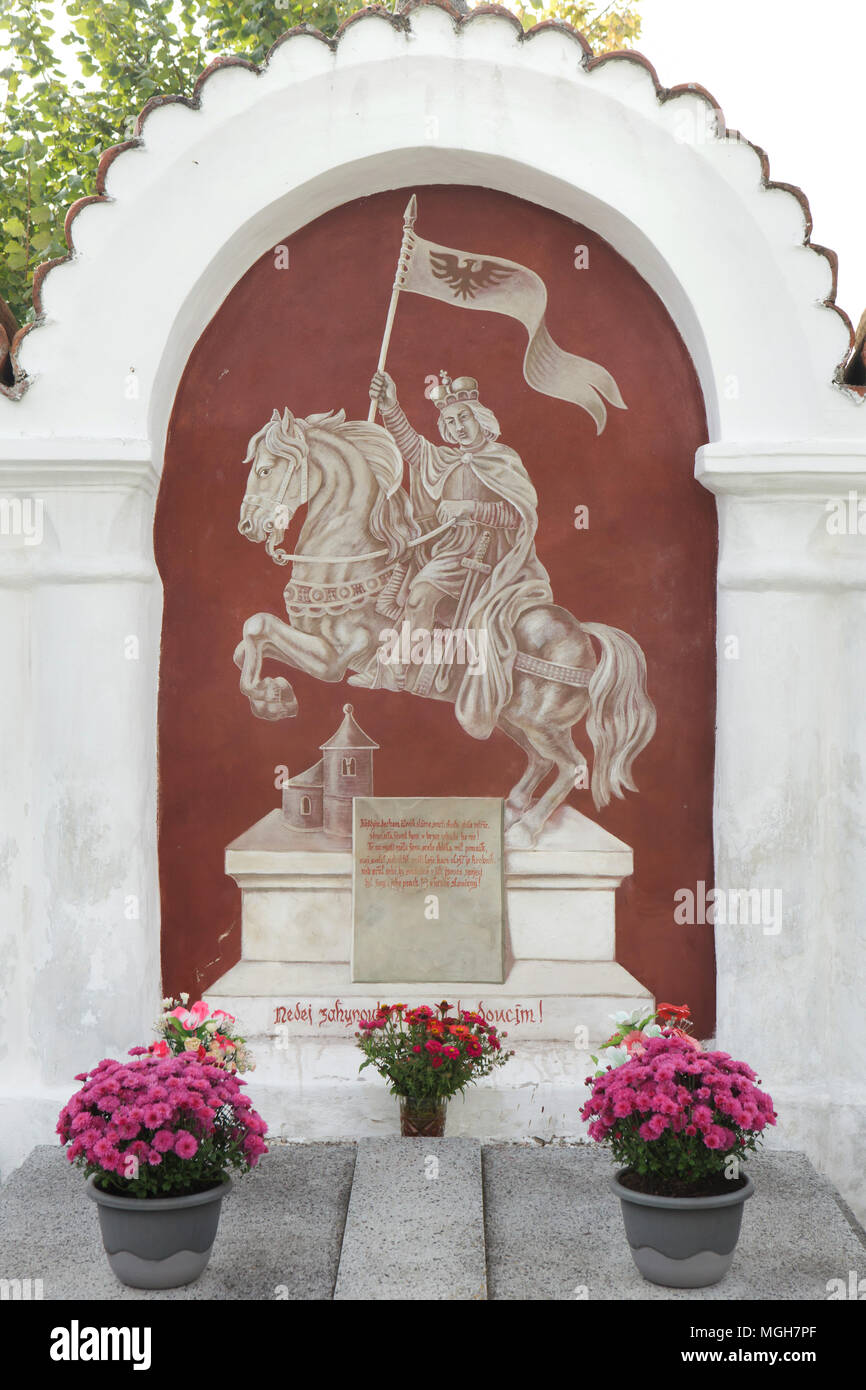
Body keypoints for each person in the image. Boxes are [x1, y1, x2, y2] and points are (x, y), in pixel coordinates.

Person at [358, 368, 553, 741]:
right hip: (449, 549)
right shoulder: (447, 459)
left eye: (463, 417)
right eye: (450, 421)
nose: (458, 426)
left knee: (421, 593)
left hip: (490, 556)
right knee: (402, 584)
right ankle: (403, 667)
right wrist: (390, 405)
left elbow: (519, 516)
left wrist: (470, 509)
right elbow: (413, 447)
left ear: (480, 418)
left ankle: (399, 668)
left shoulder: (503, 459)